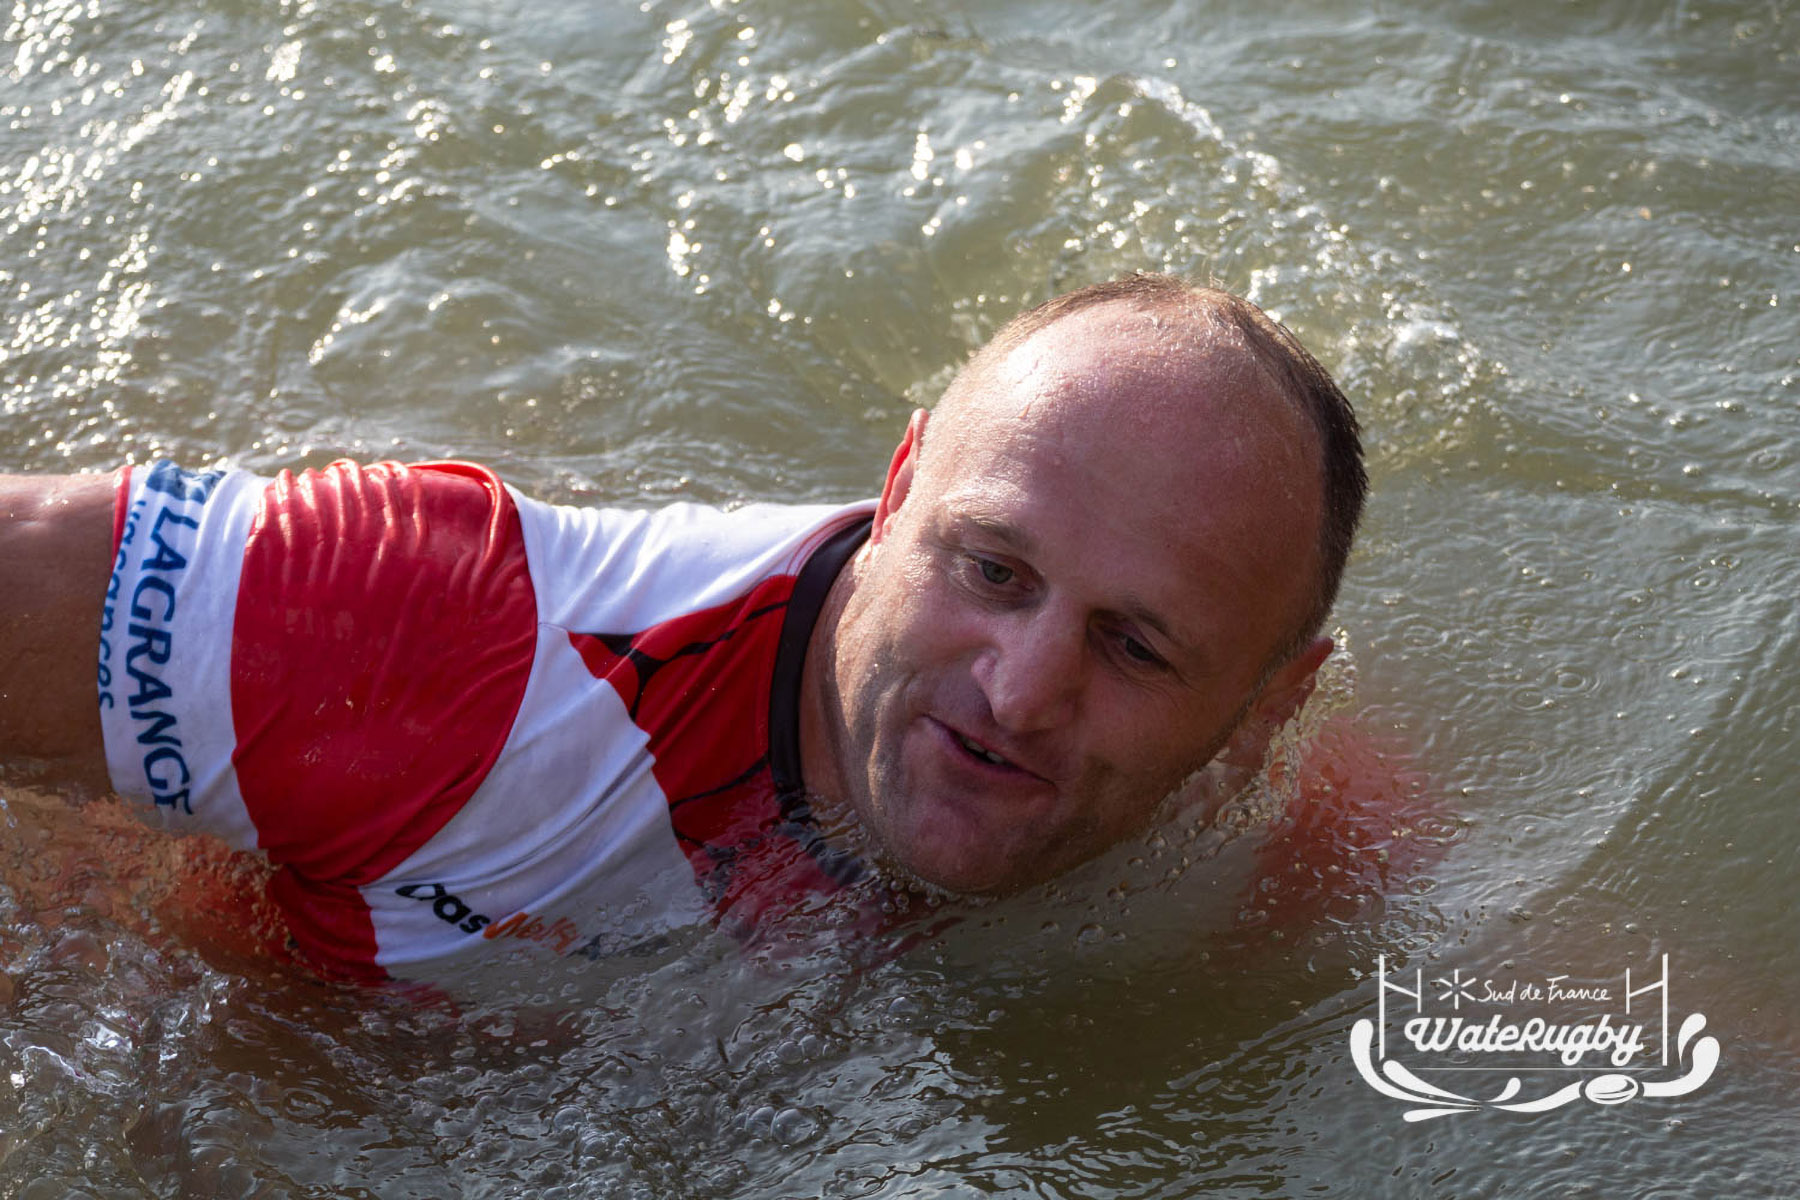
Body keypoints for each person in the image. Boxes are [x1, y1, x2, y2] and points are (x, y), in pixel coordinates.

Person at [0, 273, 1365, 983]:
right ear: (899, 491)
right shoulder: (460, 635)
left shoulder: (1290, 853)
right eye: (993, 571)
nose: (1019, 694)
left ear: (1262, 711)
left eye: (1133, 649)